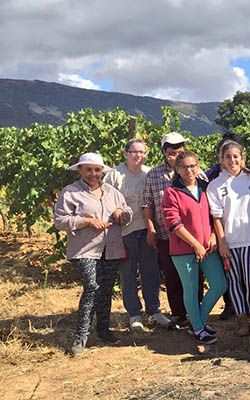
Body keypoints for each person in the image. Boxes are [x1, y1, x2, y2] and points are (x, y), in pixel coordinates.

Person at [55, 153, 133, 356]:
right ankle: (81, 335)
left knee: (105, 289)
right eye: (88, 169)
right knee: (92, 286)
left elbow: (127, 212)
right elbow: (60, 221)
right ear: (80, 170)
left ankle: (103, 330)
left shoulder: (112, 192)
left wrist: (122, 215)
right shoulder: (70, 192)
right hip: (85, 249)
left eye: (97, 170)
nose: (93, 174)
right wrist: (86, 221)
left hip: (111, 248)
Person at [103, 139, 172, 332]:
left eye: (142, 152)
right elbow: (105, 201)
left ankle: (154, 310)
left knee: (151, 272)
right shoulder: (114, 175)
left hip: (147, 230)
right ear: (126, 154)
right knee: (128, 273)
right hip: (124, 232)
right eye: (134, 152)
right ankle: (134, 314)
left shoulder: (149, 173)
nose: (139, 156)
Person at [162, 151, 227, 344]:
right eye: (183, 167)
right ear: (177, 169)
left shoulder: (206, 188)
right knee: (191, 289)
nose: (189, 170)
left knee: (220, 284)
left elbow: (214, 216)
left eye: (192, 166)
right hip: (183, 250)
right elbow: (173, 223)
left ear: (198, 166)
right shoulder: (171, 192)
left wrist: (214, 236)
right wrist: (195, 244)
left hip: (208, 247)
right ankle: (199, 329)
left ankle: (196, 321)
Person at [142, 132, 203, 329]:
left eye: (179, 151)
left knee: (195, 276)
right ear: (164, 152)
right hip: (165, 235)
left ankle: (197, 312)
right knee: (172, 276)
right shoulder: (154, 174)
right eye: (171, 153)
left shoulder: (196, 172)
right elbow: (148, 203)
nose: (175, 156)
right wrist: (150, 227)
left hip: (193, 236)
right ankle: (178, 314)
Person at [207, 141, 250, 337]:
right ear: (221, 159)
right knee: (234, 281)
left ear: (242, 158)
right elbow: (216, 217)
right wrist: (222, 242)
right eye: (228, 157)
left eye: (236, 156)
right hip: (230, 242)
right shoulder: (215, 185)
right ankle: (241, 319)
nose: (232, 160)